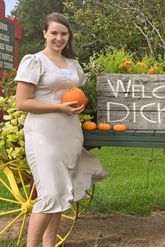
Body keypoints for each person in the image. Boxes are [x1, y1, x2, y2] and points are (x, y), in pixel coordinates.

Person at [15, 12, 107, 247]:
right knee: (51, 194)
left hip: (70, 135)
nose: (59, 37)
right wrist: (59, 108)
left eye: (63, 33)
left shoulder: (73, 66)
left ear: (69, 36)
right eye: (54, 32)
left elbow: (74, 94)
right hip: (44, 135)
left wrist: (79, 103)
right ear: (44, 33)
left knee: (62, 195)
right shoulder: (35, 61)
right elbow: (22, 103)